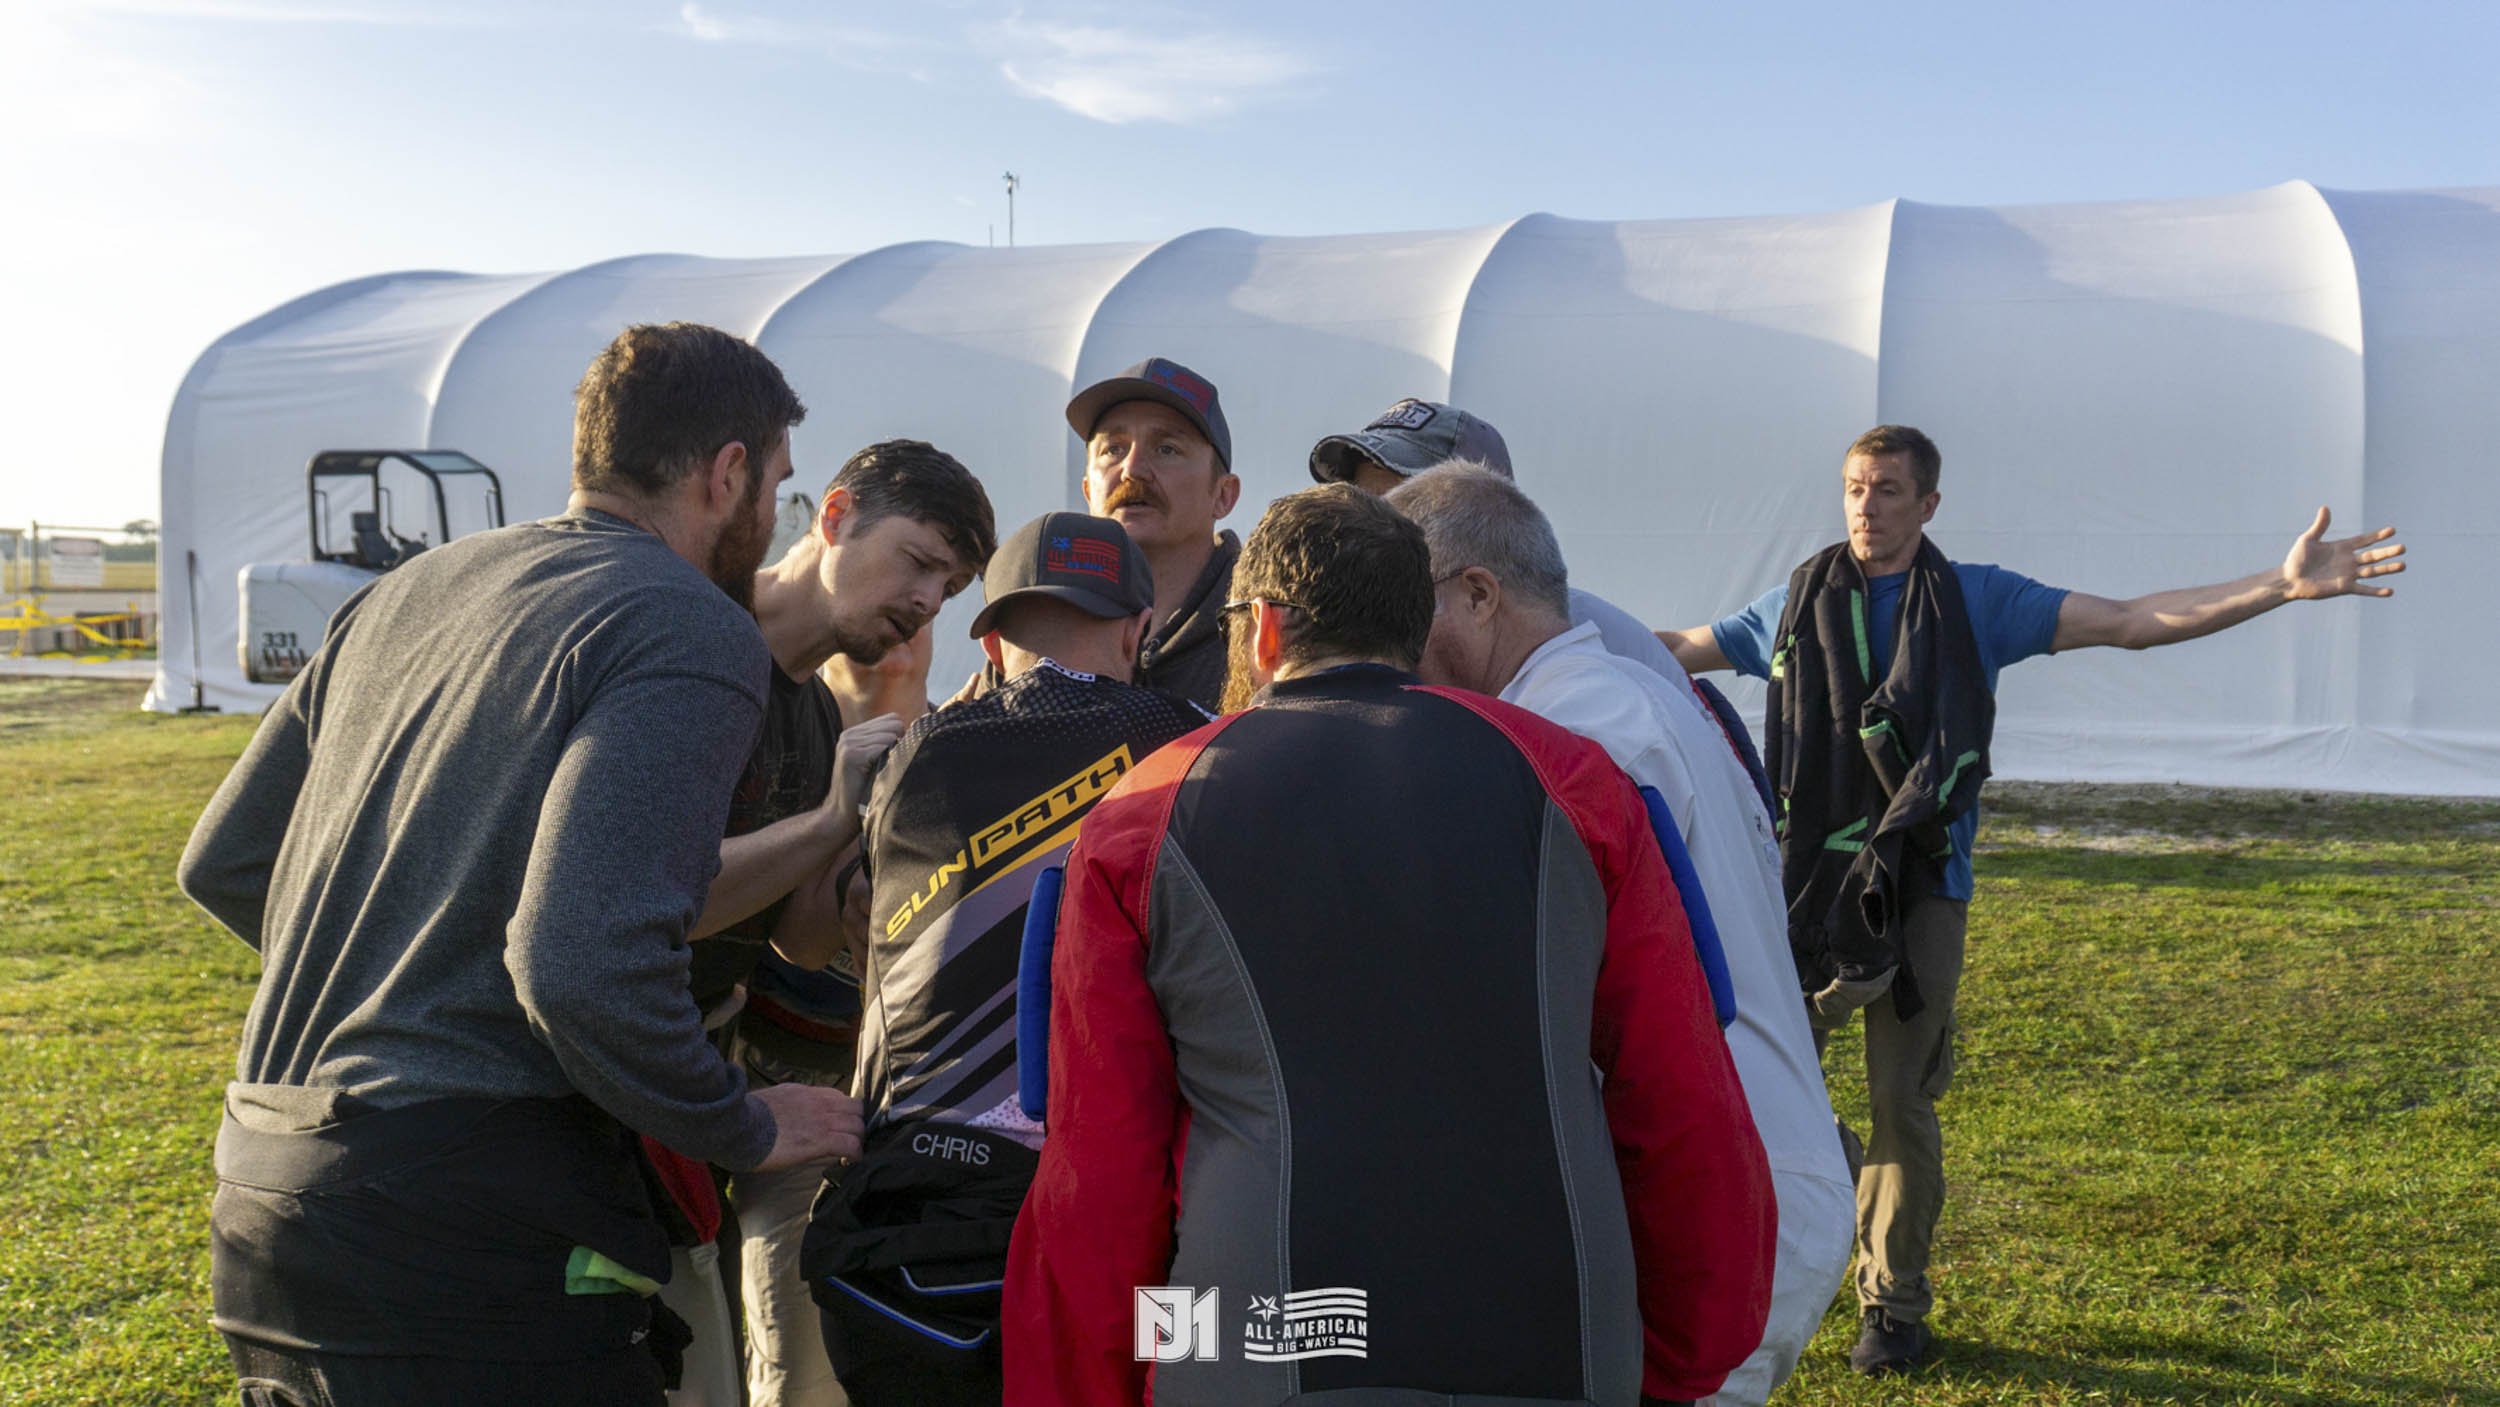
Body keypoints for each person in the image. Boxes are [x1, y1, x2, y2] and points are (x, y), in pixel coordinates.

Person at [177, 322, 867, 1406]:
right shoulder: (685, 622)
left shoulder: (408, 590)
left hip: (269, 1183)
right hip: (465, 1237)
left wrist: (412, 963)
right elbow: (580, 959)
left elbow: (223, 863)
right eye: (778, 487)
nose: (771, 517)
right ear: (727, 473)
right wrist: (741, 1122)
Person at [1652, 424, 2409, 1375]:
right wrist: (1541, 632)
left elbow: (2132, 619)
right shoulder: (1798, 602)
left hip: (1922, 884)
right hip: (1808, 888)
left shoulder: (1976, 601)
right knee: (1754, 1078)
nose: (1866, 507)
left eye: (1888, 490)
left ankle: (1892, 1307)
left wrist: (2280, 583)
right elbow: (1683, 646)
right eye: (1854, 488)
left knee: (1901, 1104)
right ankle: (1836, 1177)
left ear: (1929, 505)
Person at [1003, 485, 1777, 1407]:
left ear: (1263, 633)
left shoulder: (1142, 813)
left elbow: (1104, 1170)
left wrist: (1104, 1380)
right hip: (1561, 1341)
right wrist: (1687, 1348)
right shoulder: (1579, 783)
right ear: (1416, 625)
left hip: (1252, 1345)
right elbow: (1680, 1097)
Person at [1385, 462, 1852, 1407]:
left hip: (1714, 1185)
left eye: (1400, 611)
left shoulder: (1574, 732)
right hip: (1752, 1163)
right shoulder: (1635, 696)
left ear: (1477, 594)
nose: (1388, 650)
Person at [808, 512, 1209, 1404]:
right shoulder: (1198, 746)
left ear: (987, 639)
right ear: (1139, 629)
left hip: (901, 1234)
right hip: (1111, 1218)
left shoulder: (908, 754)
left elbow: (834, 936)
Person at [689, 441, 997, 1407]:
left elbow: (797, 939)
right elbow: (640, 897)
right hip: (608, 1088)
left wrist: (870, 900)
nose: (925, 602)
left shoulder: (824, 725)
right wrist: (827, 819)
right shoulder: (688, 638)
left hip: (700, 1091)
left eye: (948, 588)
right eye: (916, 561)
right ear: (831, 516)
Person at [1311, 397, 1774, 802]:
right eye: (1358, 502)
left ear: (1478, 502)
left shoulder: (1580, 693)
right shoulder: (1544, 642)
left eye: (1398, 504)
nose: (1364, 534)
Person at [1068, 357, 1241, 709]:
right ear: (1088, 491)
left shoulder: (1265, 631)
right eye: (1113, 449)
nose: (1132, 470)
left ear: (1223, 496)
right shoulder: (1042, 618)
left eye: (1166, 449)